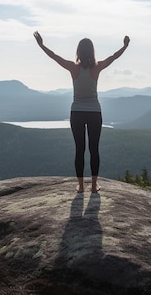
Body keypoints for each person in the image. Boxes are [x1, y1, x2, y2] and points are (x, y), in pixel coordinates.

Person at [33, 31, 130, 193]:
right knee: (94, 149)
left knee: (80, 149)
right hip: (94, 112)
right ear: (92, 52)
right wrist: (125, 46)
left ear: (78, 51)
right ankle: (93, 185)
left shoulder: (73, 67)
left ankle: (81, 186)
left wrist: (41, 45)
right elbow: (114, 57)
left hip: (76, 112)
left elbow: (55, 57)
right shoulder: (97, 67)